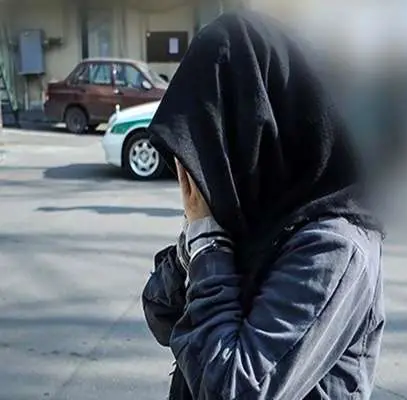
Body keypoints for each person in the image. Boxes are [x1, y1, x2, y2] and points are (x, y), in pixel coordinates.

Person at [142, 10, 384, 400]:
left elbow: (234, 389)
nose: (198, 169)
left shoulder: (334, 246)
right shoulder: (250, 207)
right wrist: (195, 242)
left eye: (213, 142)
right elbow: (162, 316)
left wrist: (208, 246)